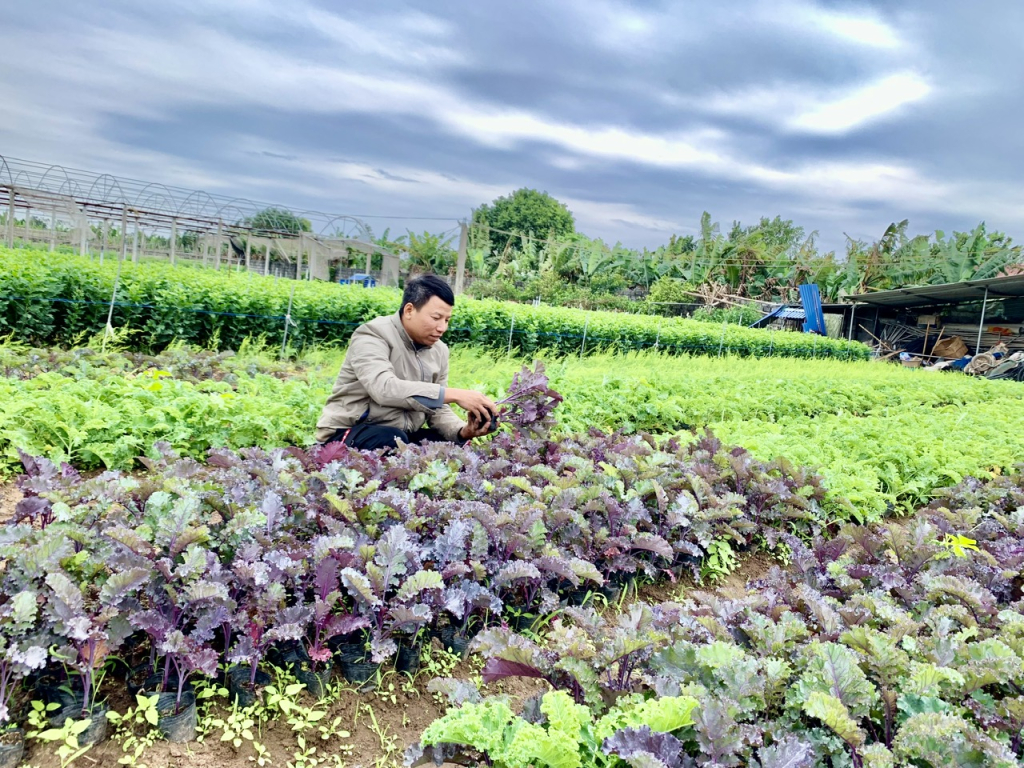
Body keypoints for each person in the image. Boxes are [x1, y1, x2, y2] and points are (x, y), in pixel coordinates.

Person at [315, 275, 498, 451]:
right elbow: (384, 389)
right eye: (436, 318)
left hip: (402, 434)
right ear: (409, 310)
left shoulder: (439, 350)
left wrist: (463, 431)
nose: (443, 327)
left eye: (447, 320)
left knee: (453, 445)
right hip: (347, 434)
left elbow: (437, 408)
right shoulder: (372, 335)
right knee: (391, 439)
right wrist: (455, 394)